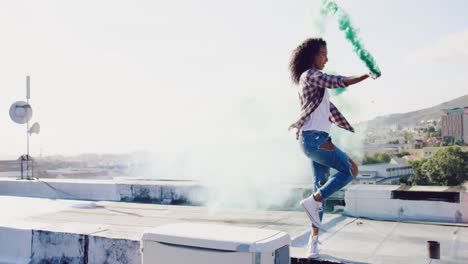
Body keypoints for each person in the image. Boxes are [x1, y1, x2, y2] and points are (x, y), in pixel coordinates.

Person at [288, 38, 379, 259]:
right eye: (322, 54)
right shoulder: (310, 75)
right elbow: (337, 81)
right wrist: (365, 75)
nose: (326, 58)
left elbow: (328, 107)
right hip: (314, 140)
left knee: (320, 188)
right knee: (351, 171)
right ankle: (313, 201)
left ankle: (313, 243)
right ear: (312, 56)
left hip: (314, 140)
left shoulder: (312, 82)